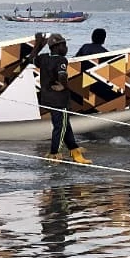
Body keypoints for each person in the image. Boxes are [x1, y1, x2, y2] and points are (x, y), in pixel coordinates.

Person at [28, 32, 92, 164]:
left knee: (65, 125)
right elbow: (62, 75)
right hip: (59, 99)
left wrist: (38, 43)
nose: (66, 48)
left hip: (47, 99)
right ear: (56, 47)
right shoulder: (61, 60)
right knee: (60, 128)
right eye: (64, 45)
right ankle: (54, 154)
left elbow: (31, 58)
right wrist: (64, 86)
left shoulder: (44, 57)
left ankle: (75, 152)